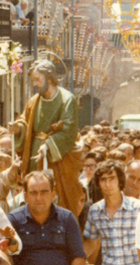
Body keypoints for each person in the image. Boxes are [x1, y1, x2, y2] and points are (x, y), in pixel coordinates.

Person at [9, 59, 84, 216]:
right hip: (34, 155)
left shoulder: (66, 99)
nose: (35, 84)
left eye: (37, 79)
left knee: (58, 195)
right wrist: (18, 128)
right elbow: (25, 122)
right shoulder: (33, 101)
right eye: (33, 80)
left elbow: (69, 129)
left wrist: (48, 145)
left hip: (57, 158)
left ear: (49, 78)